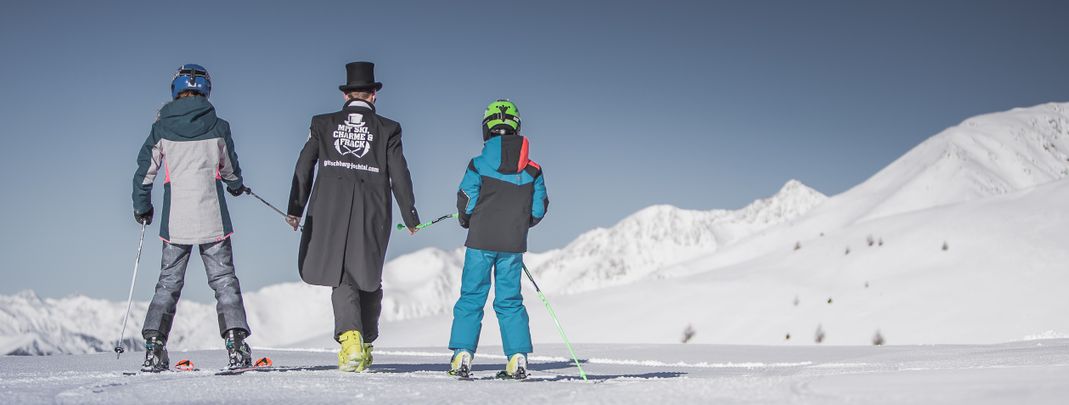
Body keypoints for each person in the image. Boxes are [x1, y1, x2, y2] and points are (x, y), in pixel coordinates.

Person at [286, 61, 421, 372]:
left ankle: (352, 341)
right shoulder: (388, 129)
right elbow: (400, 175)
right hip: (373, 211)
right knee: (367, 274)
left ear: (347, 95)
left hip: (328, 210)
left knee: (342, 274)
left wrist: (296, 208)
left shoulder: (322, 123)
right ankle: (367, 340)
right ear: (373, 95)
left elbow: (304, 166)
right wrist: (410, 215)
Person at [132, 64, 253, 372]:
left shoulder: (161, 129)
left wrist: (142, 207)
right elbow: (230, 170)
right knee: (224, 281)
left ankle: (154, 348)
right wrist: (236, 186)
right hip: (212, 217)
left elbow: (145, 174)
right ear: (206, 91)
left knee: (168, 283)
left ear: (175, 90)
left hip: (176, 222)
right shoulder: (219, 126)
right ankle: (236, 346)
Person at [447, 99, 549, 379]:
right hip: (512, 245)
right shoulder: (533, 170)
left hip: (480, 242)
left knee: (471, 298)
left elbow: (467, 201)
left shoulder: (478, 165)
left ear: (487, 128)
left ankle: (461, 358)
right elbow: (538, 209)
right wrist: (518, 225)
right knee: (510, 301)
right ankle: (517, 360)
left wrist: (468, 220)